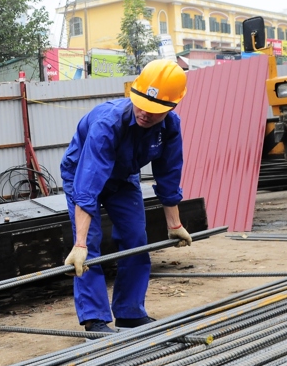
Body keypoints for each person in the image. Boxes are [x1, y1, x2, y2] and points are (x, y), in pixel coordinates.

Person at [60, 59, 192, 333]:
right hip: (81, 173)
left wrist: (175, 225)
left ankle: (130, 312)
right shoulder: (107, 123)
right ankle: (95, 320)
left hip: (123, 177)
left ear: (172, 107)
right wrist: (80, 244)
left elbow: (168, 176)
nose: (145, 113)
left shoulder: (170, 127)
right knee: (90, 246)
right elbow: (87, 188)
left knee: (135, 239)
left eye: (155, 111)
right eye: (141, 105)